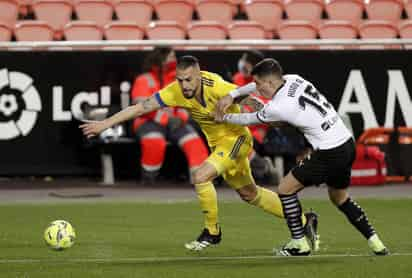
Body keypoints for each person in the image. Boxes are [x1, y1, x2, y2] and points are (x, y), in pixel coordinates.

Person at [80, 55, 318, 252]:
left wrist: (272, 115)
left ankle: (212, 231)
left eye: (189, 80)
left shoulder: (217, 86)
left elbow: (248, 99)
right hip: (219, 146)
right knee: (250, 194)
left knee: (201, 175)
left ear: (199, 74)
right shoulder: (176, 91)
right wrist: (104, 124)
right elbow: (141, 107)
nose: (184, 86)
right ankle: (305, 220)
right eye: (180, 80)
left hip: (236, 140)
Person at [215, 58, 388, 256]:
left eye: (259, 84)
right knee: (339, 198)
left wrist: (223, 117)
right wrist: (233, 94)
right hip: (347, 143)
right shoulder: (293, 79)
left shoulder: (278, 107)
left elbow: (247, 119)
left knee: (285, 189)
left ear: (270, 82)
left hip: (329, 151)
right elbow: (270, 107)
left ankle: (299, 243)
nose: (257, 87)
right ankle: (376, 243)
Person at [130, 47, 208, 184]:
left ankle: (201, 182)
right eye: (171, 57)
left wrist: (182, 118)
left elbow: (189, 104)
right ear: (161, 58)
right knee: (154, 142)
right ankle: (149, 179)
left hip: (176, 123)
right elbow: (141, 107)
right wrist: (166, 119)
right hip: (148, 122)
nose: (175, 60)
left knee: (194, 143)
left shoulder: (178, 79)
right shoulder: (144, 79)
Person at [233, 50, 278, 184]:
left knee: (237, 144)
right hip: (237, 126)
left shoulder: (267, 84)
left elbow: (270, 111)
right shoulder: (237, 79)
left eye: (247, 63)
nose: (243, 65)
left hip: (258, 129)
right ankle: (259, 164)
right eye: (243, 61)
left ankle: (261, 166)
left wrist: (249, 110)